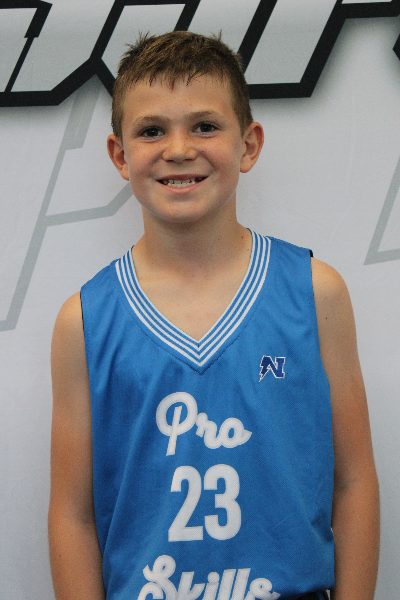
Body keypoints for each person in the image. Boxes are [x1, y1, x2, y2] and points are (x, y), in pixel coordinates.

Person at [48, 31, 379, 600]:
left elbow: (353, 482)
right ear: (120, 155)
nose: (179, 148)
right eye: (152, 130)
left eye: (204, 126)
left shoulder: (315, 292)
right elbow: (72, 516)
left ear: (248, 145)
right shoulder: (83, 321)